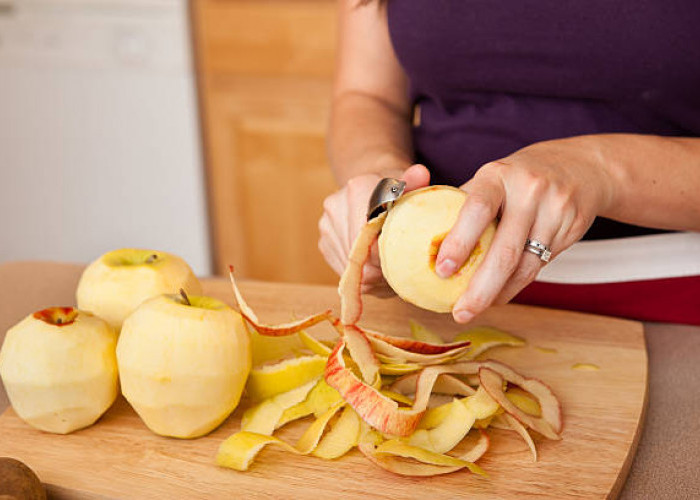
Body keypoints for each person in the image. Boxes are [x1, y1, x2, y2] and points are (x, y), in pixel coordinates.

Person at [318, 1, 700, 325]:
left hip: (669, 308)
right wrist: (383, 189)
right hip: (437, 311)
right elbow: (367, 96)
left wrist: (604, 171)